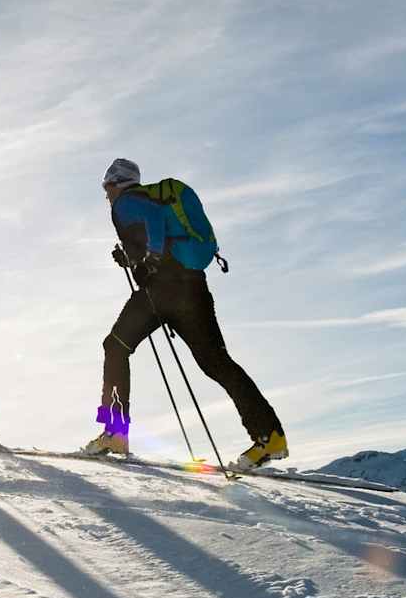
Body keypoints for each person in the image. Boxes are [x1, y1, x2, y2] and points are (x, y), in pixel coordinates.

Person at [85, 158, 288, 470]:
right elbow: (155, 233)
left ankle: (115, 431)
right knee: (216, 362)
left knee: (115, 347)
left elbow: (153, 222)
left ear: (114, 184)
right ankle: (269, 435)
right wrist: (131, 258)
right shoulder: (149, 198)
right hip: (191, 287)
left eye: (106, 188)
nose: (106, 195)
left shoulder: (125, 203)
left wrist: (149, 258)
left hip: (162, 291)